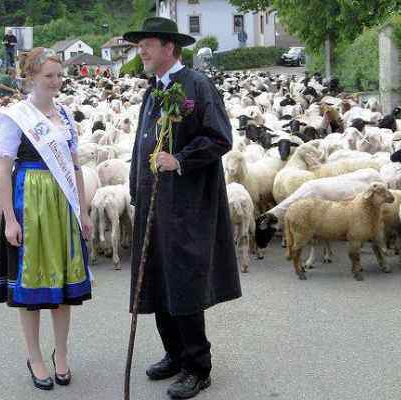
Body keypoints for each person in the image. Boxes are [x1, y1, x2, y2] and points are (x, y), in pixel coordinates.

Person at [124, 17, 241, 400]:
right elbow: (144, 145)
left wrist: (181, 159)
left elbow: (220, 137)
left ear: (170, 48)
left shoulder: (197, 85)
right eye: (140, 44)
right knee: (157, 278)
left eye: (148, 43)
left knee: (183, 281)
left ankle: (197, 366)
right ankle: (173, 354)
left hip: (186, 205)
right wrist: (136, 189)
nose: (141, 50)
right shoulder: (153, 91)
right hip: (154, 203)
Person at [0, 47, 93, 391]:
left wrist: (83, 211)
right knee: (32, 288)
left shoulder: (65, 115)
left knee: (64, 286)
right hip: (30, 204)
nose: (56, 81)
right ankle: (34, 356)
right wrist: (9, 219)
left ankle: (61, 353)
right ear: (31, 78)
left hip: (62, 206)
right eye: (49, 76)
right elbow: (3, 171)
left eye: (60, 75)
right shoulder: (15, 117)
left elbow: (75, 167)